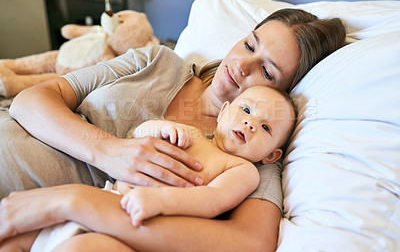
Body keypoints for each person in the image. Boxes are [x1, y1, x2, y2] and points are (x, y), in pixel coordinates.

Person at [0, 8, 346, 251]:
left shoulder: (251, 151)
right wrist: (108, 151)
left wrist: (75, 202)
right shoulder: (158, 61)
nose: (241, 65)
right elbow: (31, 100)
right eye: (249, 45)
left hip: (42, 221)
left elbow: (250, 242)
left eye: (267, 72)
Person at [9, 85, 296, 251]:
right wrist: (160, 128)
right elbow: (137, 135)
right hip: (107, 198)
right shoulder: (188, 132)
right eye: (246, 110)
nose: (250, 123)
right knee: (16, 237)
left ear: (271, 156)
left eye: (266, 127)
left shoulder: (243, 170)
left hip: (139, 227)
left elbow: (210, 201)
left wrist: (159, 201)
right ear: (223, 112)